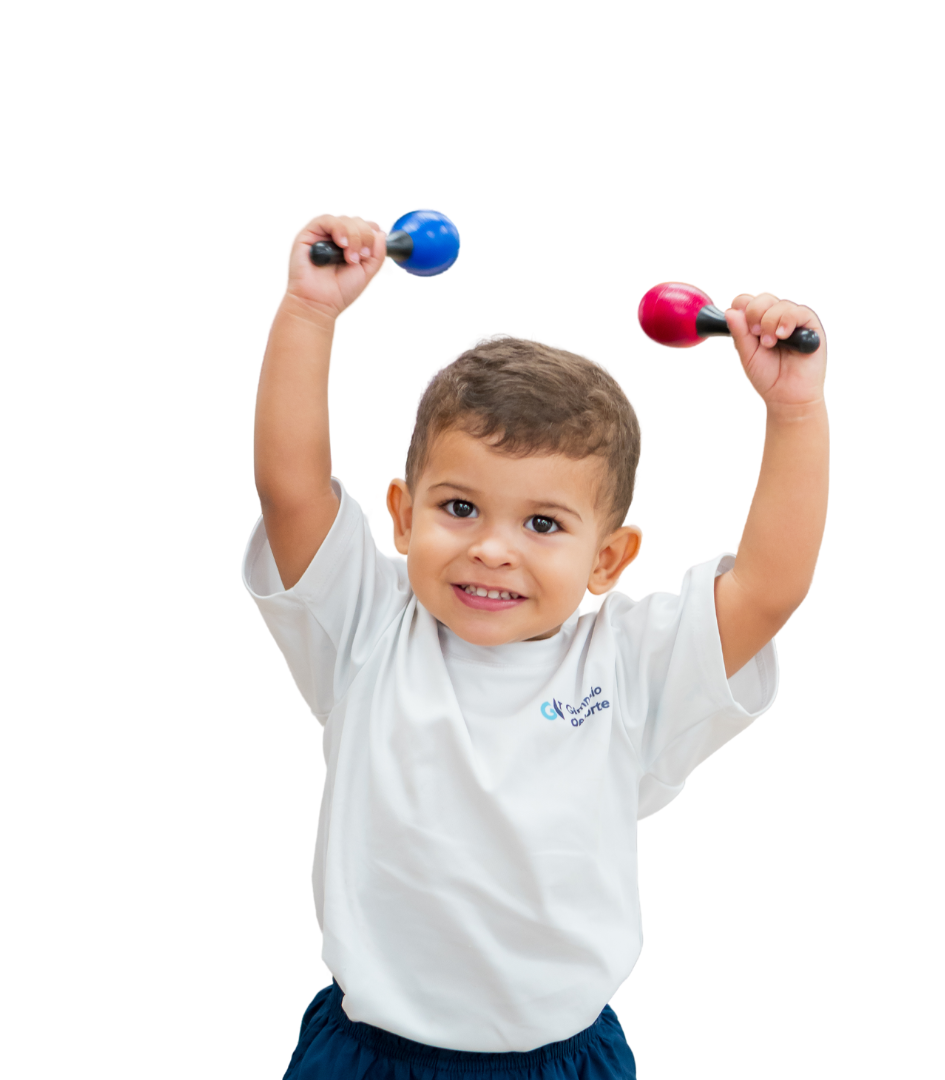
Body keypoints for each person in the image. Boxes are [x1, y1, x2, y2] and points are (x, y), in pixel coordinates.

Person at [243, 213, 830, 1079]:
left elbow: (770, 586)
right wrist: (307, 312)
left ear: (608, 559)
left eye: (543, 523)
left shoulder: (630, 663)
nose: (492, 547)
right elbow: (290, 491)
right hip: (364, 1057)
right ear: (400, 516)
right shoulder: (369, 620)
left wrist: (794, 407)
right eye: (459, 508)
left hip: (564, 1061)